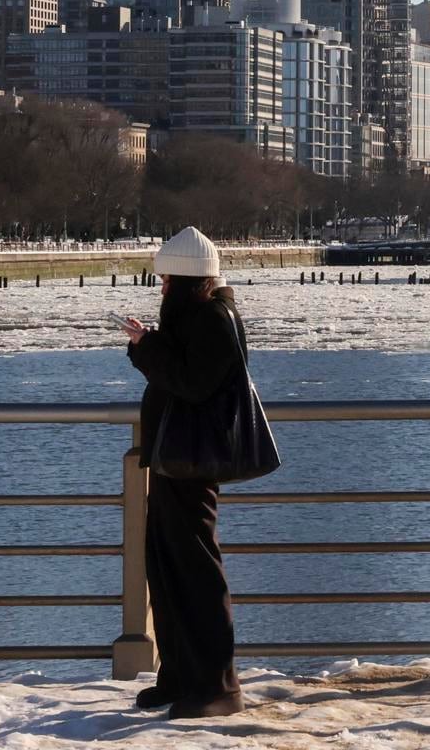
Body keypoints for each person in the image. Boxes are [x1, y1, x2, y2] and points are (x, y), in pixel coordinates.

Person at [122, 226, 247, 719]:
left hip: (191, 465)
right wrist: (148, 344)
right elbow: (182, 372)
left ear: (187, 281)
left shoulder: (214, 319)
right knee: (167, 569)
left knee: (196, 574)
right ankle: (179, 675)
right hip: (174, 461)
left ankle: (219, 685)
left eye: (167, 280)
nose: (162, 289)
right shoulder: (200, 317)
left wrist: (146, 349)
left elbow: (192, 383)